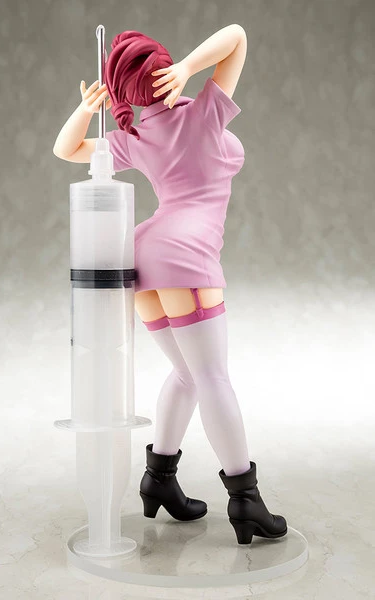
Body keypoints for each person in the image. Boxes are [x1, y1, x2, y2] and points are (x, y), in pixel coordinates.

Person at [53, 26, 287, 545]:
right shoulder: (204, 113)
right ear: (164, 66)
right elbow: (237, 36)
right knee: (212, 377)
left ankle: (159, 479)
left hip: (143, 255)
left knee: (186, 373)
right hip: (187, 256)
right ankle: (245, 499)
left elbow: (66, 149)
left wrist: (87, 109)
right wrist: (189, 68)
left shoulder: (136, 136)